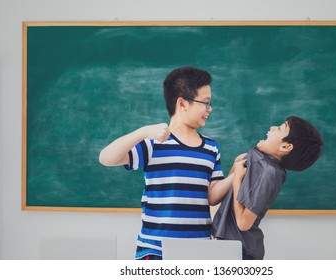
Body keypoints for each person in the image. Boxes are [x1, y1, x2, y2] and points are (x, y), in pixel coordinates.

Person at [99, 66, 236, 260]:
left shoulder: (211, 148)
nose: (209, 108)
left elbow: (212, 196)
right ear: (182, 103)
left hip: (199, 250)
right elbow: (106, 158)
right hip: (155, 251)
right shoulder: (153, 144)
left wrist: (235, 176)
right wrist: (142, 132)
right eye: (205, 103)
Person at [211, 116, 323, 260]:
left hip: (241, 252)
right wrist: (236, 165)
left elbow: (243, 223)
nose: (272, 128)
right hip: (228, 245)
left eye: (280, 128)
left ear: (285, 147)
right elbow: (226, 195)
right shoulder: (258, 160)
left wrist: (238, 177)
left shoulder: (270, 172)